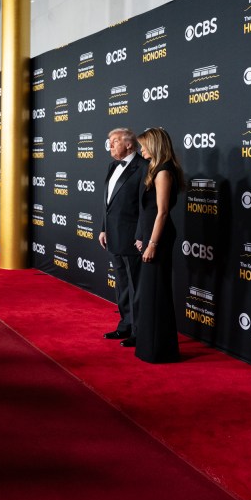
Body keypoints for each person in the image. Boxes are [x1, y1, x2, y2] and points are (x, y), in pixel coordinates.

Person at [131, 127, 185, 363]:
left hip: (159, 239)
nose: (141, 149)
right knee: (151, 293)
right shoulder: (155, 169)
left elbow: (162, 213)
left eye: (143, 145)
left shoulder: (164, 172)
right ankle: (151, 346)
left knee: (157, 293)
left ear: (154, 146)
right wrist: (143, 235)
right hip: (151, 235)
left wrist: (152, 243)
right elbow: (148, 210)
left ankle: (159, 350)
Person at [98, 128, 148, 344]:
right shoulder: (112, 166)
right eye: (109, 141)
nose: (110, 145)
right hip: (113, 235)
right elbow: (108, 203)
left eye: (115, 141)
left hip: (132, 238)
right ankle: (125, 325)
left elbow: (144, 206)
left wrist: (140, 235)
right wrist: (103, 228)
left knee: (136, 286)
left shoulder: (143, 167)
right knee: (122, 284)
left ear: (129, 144)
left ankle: (139, 331)